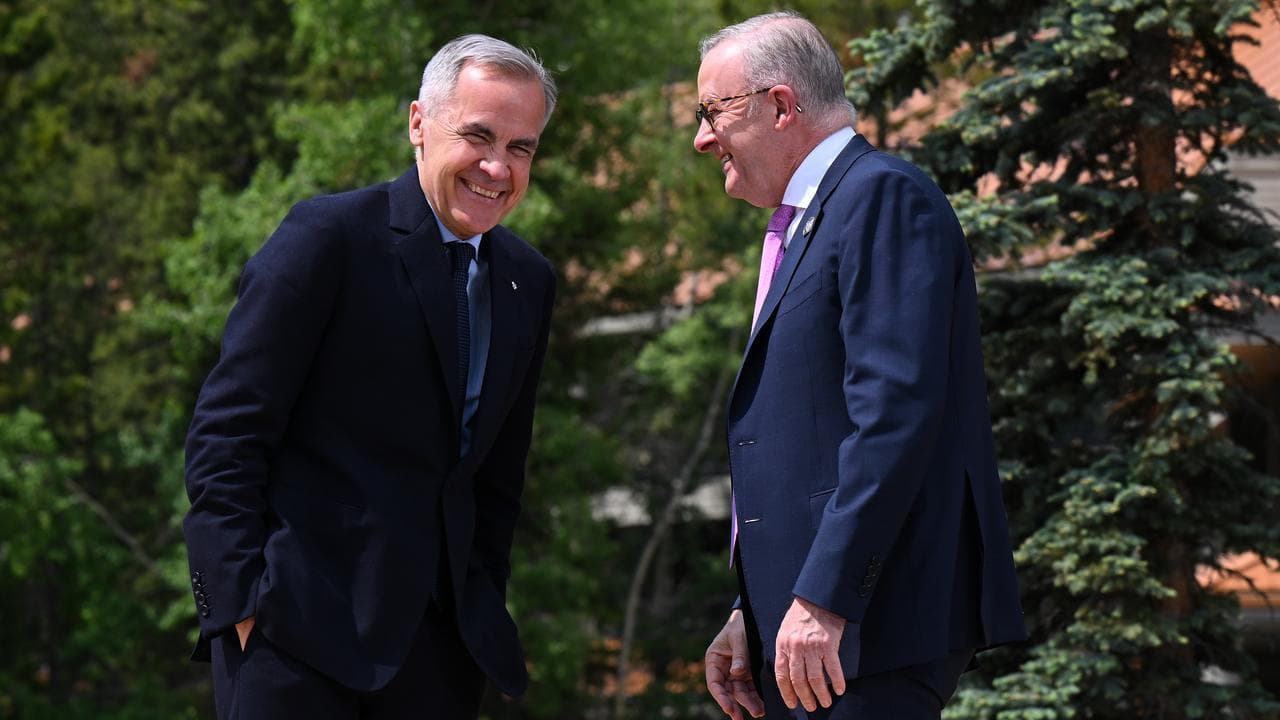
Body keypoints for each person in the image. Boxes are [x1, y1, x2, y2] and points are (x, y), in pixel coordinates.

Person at [182, 33, 557, 720]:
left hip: (441, 662)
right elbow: (227, 433)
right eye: (478, 136)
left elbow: (497, 480)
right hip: (295, 642)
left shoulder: (527, 280)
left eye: (520, 147)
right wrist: (237, 606)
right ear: (419, 123)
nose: (497, 167)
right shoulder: (327, 237)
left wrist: (479, 607)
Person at [694, 12, 1026, 720]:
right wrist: (751, 609)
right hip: (808, 629)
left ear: (780, 105)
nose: (702, 137)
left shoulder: (881, 196)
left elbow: (893, 417)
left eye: (713, 111)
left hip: (865, 630)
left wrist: (825, 597)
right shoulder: (815, 218)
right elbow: (808, 440)